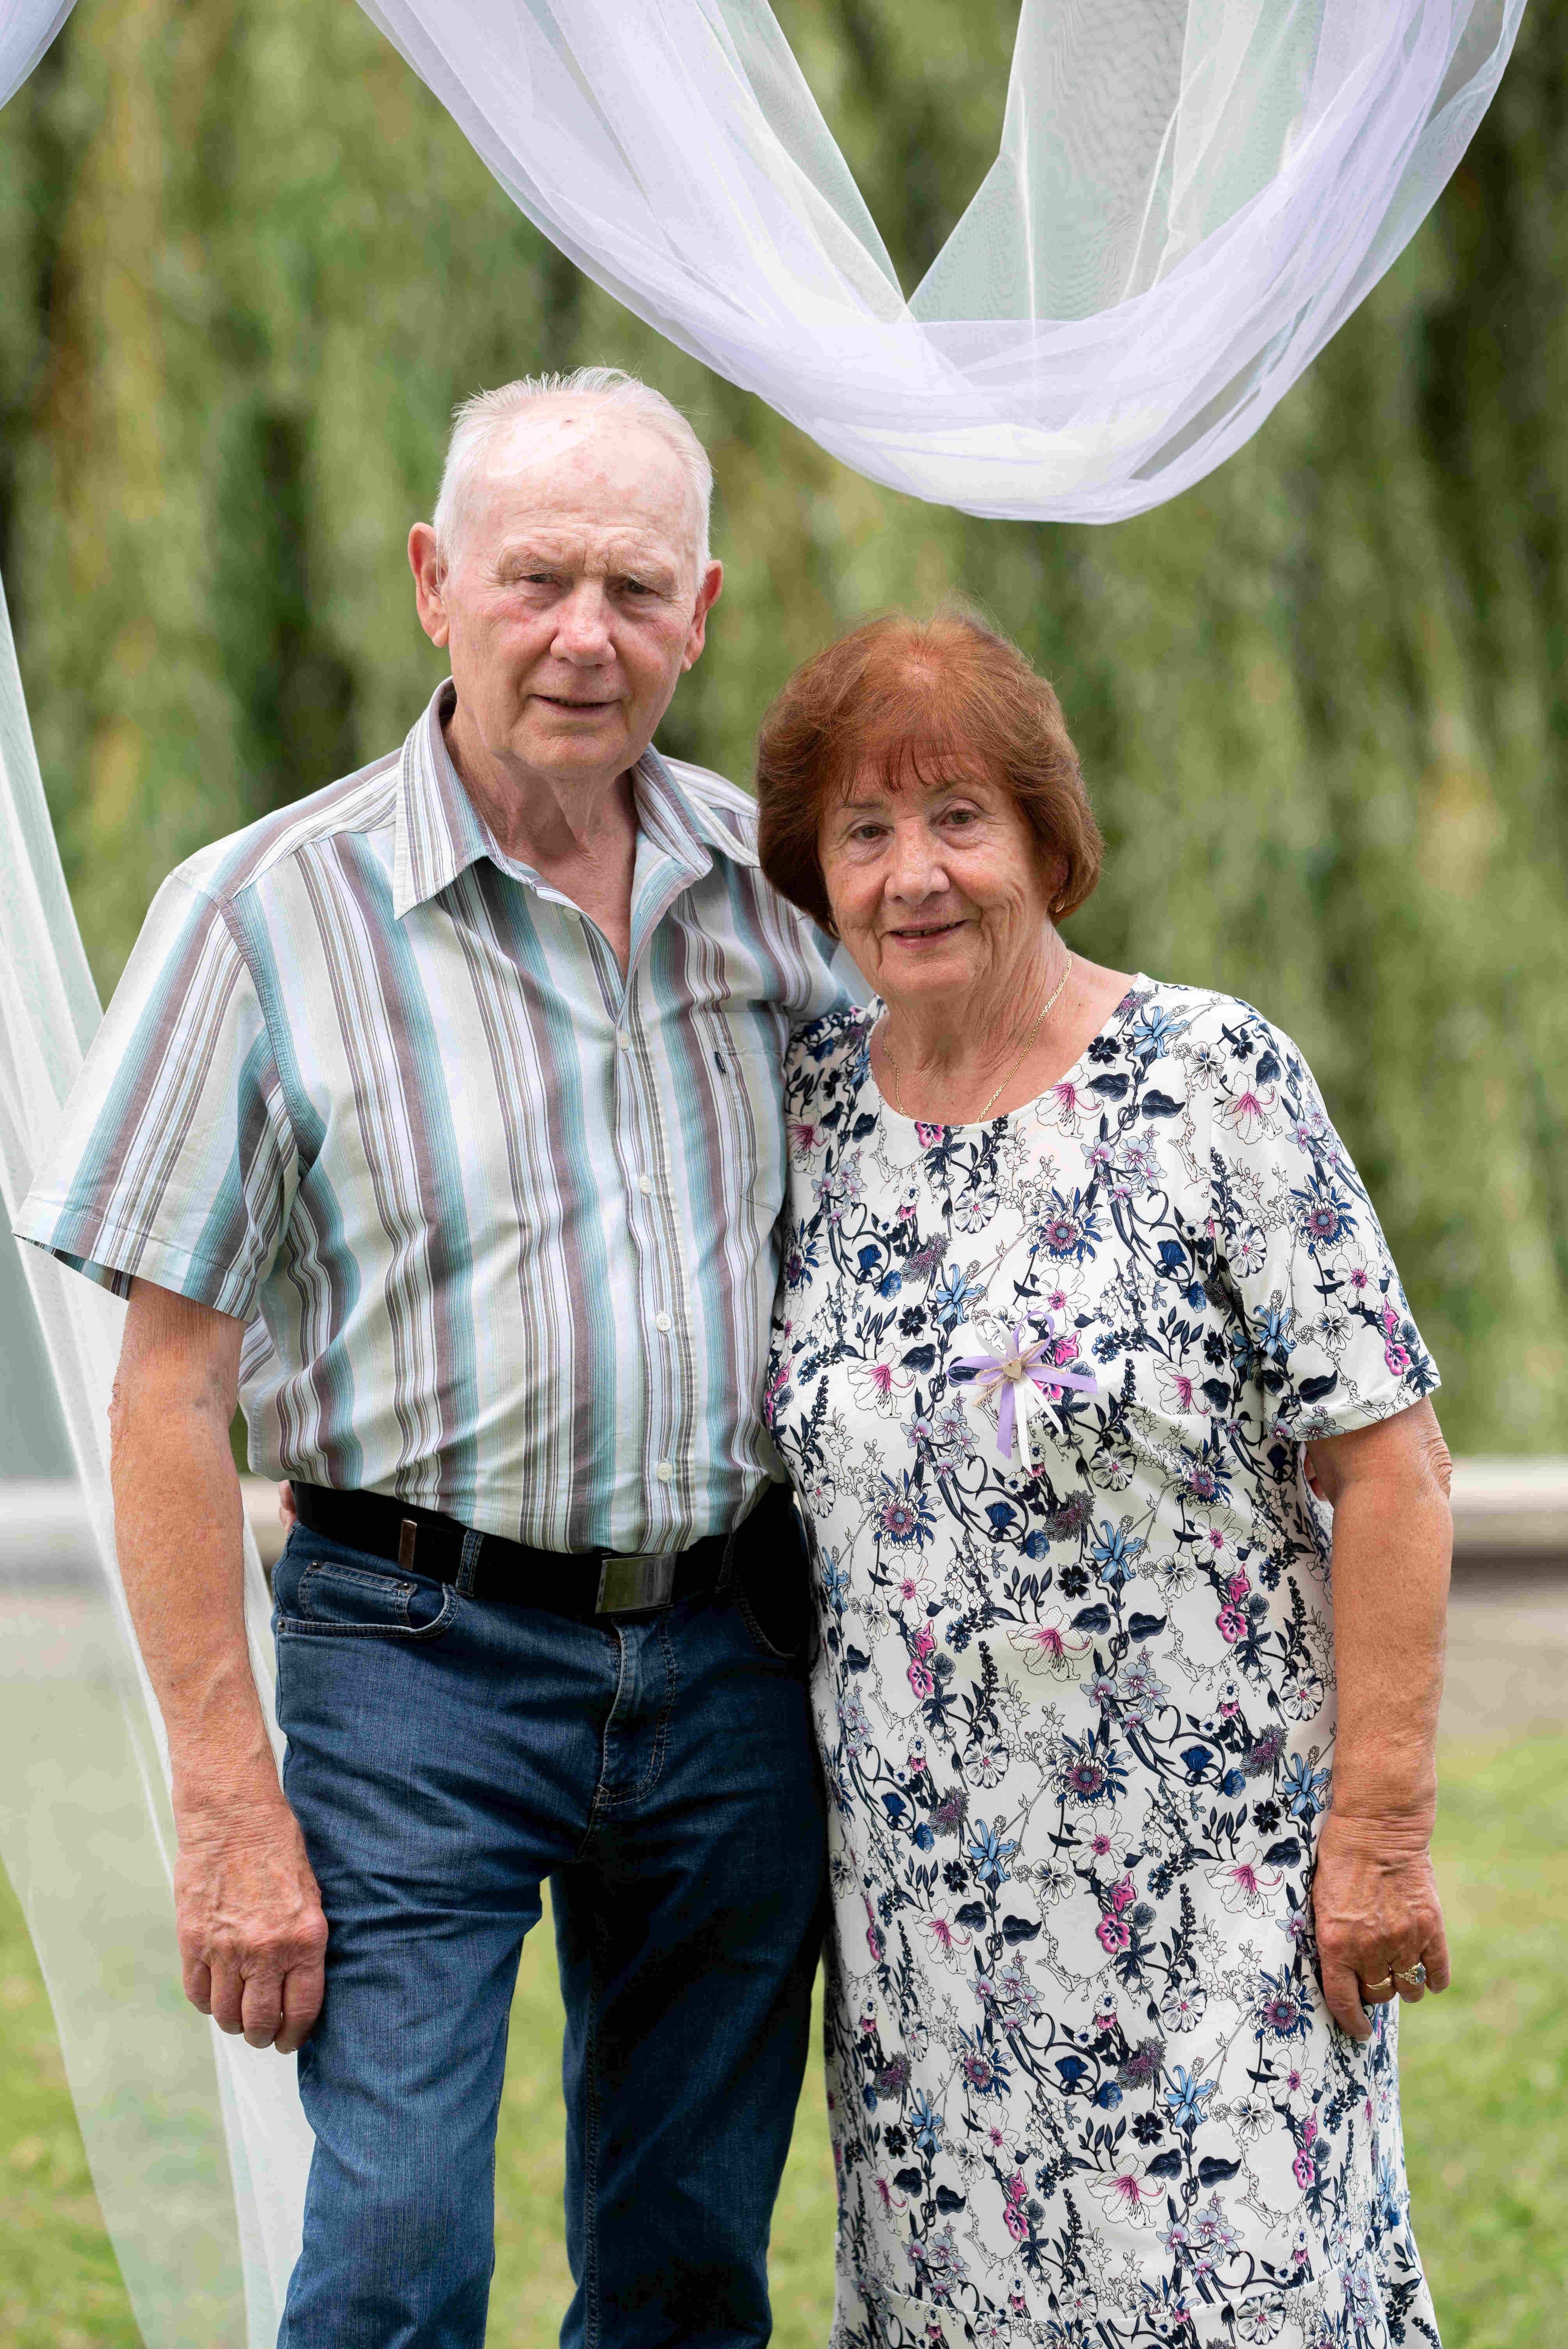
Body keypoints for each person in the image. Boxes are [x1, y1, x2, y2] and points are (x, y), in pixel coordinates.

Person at [16, 368, 851, 2349]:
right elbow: (165, 1394)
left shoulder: (783, 893)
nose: (584, 635)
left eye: (633, 588)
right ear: (432, 583)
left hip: (730, 1654)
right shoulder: (260, 914)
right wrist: (230, 1803)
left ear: (701, 613)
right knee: (393, 2260)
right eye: (536, 577)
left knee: (685, 2267)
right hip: (415, 1661)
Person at [754, 612, 1453, 2349]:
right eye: (863, 830)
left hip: (1216, 1899)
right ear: (816, 875)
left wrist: (1376, 1838)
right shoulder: (805, 1113)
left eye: (957, 818)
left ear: (1047, 842)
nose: (912, 873)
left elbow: (1391, 1466)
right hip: (928, 1937)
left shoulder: (1210, 1082)